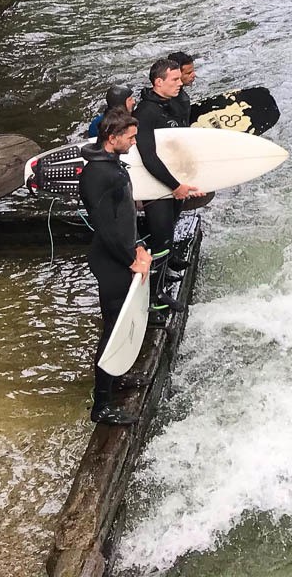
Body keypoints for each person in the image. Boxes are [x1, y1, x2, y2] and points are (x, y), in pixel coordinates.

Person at [79, 110, 152, 425]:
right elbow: (106, 229)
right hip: (111, 262)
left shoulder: (112, 166)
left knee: (119, 326)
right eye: (131, 137)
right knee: (112, 331)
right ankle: (102, 405)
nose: (135, 143)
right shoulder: (98, 175)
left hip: (122, 255)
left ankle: (117, 377)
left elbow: (123, 219)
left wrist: (137, 246)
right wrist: (130, 259)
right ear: (112, 138)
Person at [133, 58, 202, 324]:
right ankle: (154, 301)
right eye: (174, 80)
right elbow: (149, 157)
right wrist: (175, 186)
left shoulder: (174, 102)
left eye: (179, 79)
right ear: (157, 82)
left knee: (168, 233)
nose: (179, 83)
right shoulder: (146, 113)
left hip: (174, 182)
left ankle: (162, 281)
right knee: (159, 242)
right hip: (157, 186)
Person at [166, 51, 197, 122]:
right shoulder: (180, 101)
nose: (194, 75)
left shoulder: (183, 97)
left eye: (193, 71)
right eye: (188, 73)